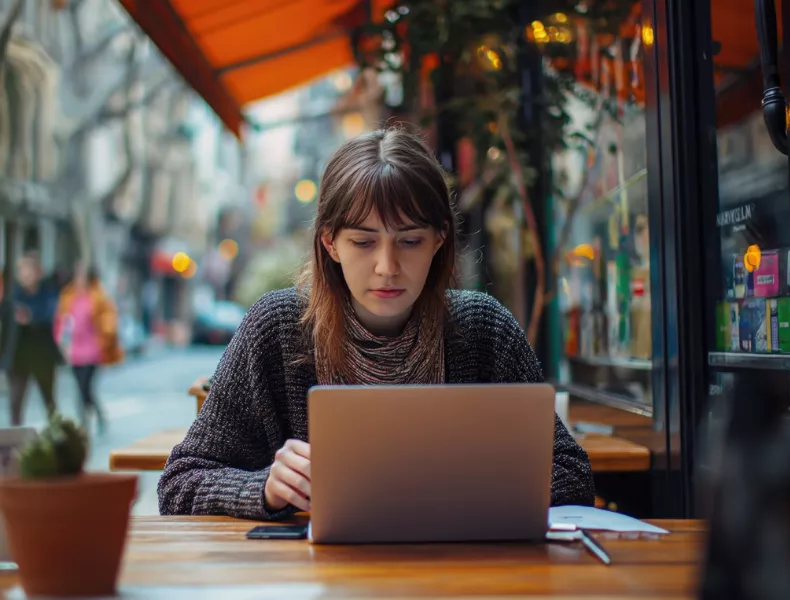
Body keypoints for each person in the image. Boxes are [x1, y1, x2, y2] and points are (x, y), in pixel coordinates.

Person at [158, 127, 595, 520]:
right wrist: (265, 488)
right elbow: (179, 482)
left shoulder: (485, 330)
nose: (387, 267)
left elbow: (572, 476)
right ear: (330, 242)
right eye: (364, 242)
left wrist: (481, 486)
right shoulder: (276, 326)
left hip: (462, 574)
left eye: (409, 241)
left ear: (439, 240)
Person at [54, 262, 124, 432]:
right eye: (77, 275)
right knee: (80, 387)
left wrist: (105, 341)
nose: (79, 279)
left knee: (85, 387)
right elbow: (62, 321)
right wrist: (62, 342)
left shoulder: (98, 296)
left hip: (93, 351)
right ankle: (94, 416)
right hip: (74, 351)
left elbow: (109, 320)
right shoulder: (68, 295)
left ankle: (85, 422)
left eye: (82, 275)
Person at [0, 252, 60, 426]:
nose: (25, 274)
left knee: (49, 402)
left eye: (29, 270)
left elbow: (52, 317)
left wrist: (31, 317)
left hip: (42, 357)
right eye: (22, 270)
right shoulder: (13, 297)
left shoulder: (47, 294)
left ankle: (57, 440)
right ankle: (17, 446)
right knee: (15, 404)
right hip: (18, 359)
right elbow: (5, 329)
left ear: (37, 272)